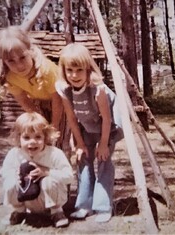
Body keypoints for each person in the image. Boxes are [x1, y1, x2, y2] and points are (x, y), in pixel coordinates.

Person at [56, 43, 124, 223]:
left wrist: (103, 144)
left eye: (79, 70)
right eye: (70, 70)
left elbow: (107, 119)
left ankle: (103, 206)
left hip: (106, 129)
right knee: (83, 160)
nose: (74, 75)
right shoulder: (64, 88)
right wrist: (79, 144)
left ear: (88, 68)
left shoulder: (97, 88)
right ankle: (84, 205)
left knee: (103, 161)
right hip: (85, 128)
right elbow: (71, 118)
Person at [0, 112, 74, 228]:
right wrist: (15, 175)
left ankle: (57, 213)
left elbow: (69, 176)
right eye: (26, 137)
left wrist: (47, 172)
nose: (32, 141)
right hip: (27, 199)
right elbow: (4, 171)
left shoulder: (54, 153)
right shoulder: (15, 153)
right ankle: (19, 211)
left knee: (48, 181)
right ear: (18, 137)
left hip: (51, 199)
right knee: (10, 181)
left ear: (45, 137)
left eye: (38, 137)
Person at [0, 25, 62, 130]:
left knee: (62, 138)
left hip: (63, 104)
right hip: (39, 105)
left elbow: (58, 100)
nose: (19, 66)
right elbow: (24, 101)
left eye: (23, 57)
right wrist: (42, 124)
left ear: (30, 51)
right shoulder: (10, 77)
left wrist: (54, 127)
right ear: (3, 60)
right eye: (11, 61)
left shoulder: (46, 70)